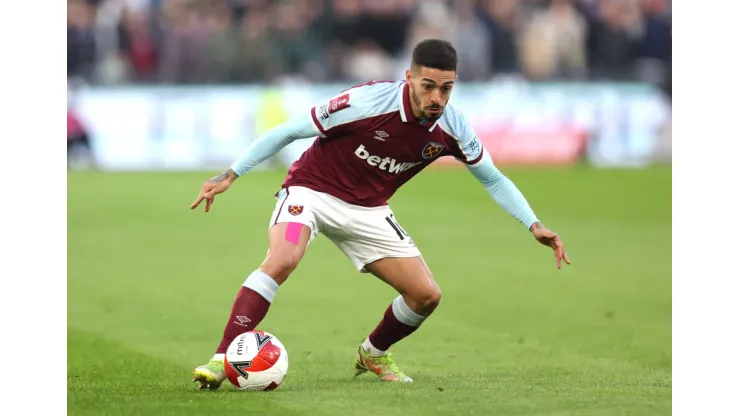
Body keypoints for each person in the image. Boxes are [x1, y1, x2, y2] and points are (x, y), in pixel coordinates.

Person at [190, 39, 570, 389]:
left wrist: (533, 224)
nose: (437, 97)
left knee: (426, 296)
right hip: (311, 192)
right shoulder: (366, 102)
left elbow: (494, 179)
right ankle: (222, 358)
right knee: (284, 257)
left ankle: (372, 354)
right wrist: (231, 174)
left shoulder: (453, 128)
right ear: (409, 78)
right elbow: (289, 131)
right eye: (428, 85)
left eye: (447, 88)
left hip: (368, 212)